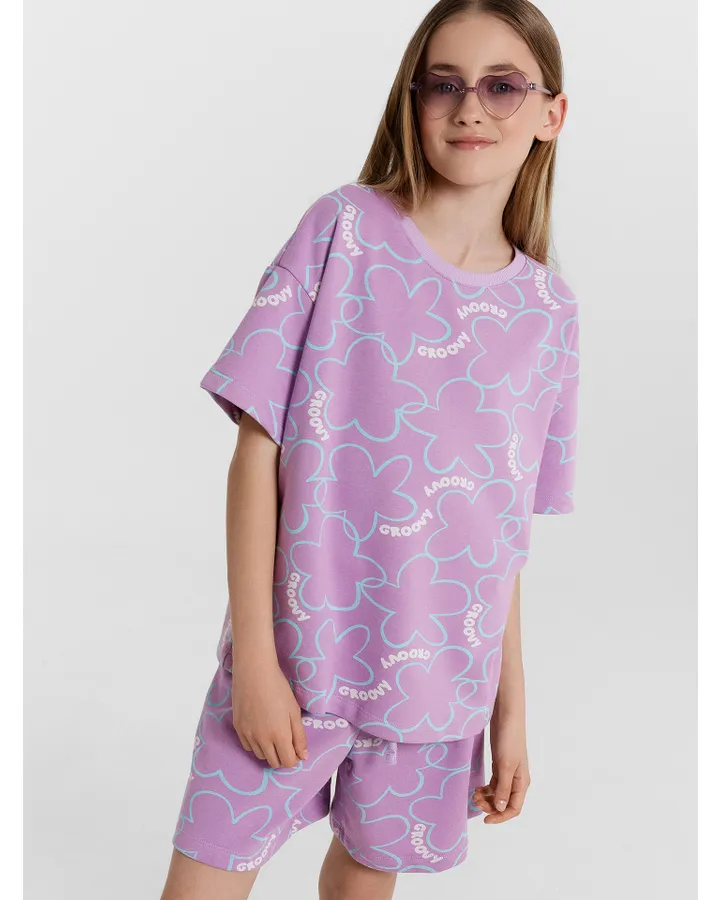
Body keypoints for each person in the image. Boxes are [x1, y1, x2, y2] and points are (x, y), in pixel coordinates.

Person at [159, 1, 579, 897]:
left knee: (362, 886)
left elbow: (499, 536)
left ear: (552, 113)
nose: (470, 108)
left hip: (440, 699)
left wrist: (509, 708)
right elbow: (257, 455)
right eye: (444, 84)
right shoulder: (342, 231)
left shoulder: (548, 314)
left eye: (503, 86)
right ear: (412, 100)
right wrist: (257, 665)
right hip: (295, 668)